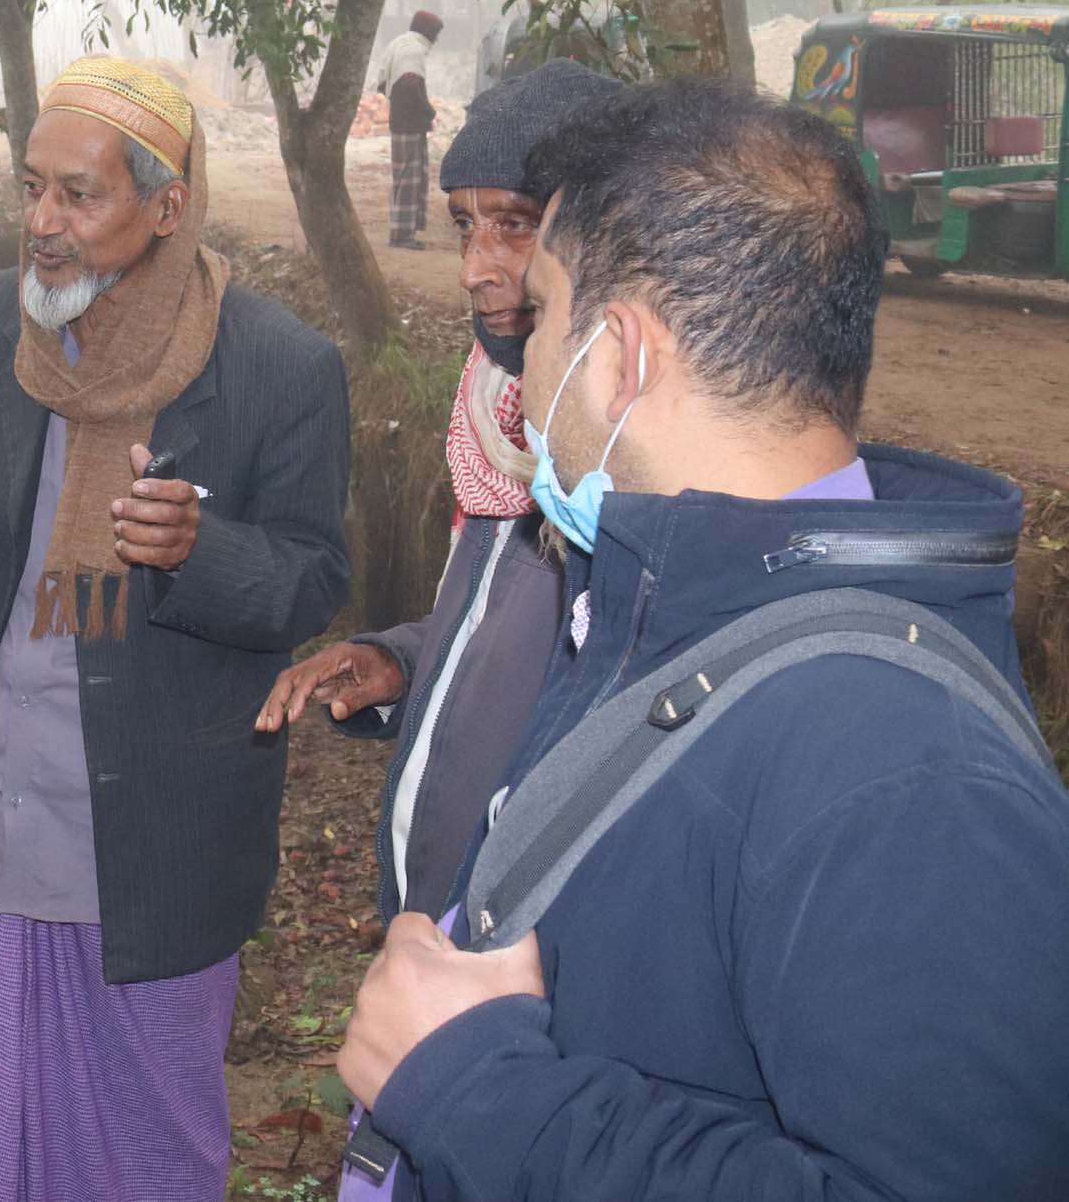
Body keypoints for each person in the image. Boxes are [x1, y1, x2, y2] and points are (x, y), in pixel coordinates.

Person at [335, 82, 1069, 1200]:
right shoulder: (647, 605)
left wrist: (477, 1089)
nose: (522, 372)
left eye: (539, 313)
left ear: (620, 355)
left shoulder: (913, 772)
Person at [0, 57, 353, 1202]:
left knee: (149, 1132)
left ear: (168, 204)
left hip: (162, 824)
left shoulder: (278, 367)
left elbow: (312, 580)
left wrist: (195, 549)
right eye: (31, 190)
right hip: (18, 794)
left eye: (79, 195)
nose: (42, 226)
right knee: (7, 1109)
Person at [255, 61, 621, 920]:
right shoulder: (493, 420)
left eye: (516, 226)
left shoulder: (624, 473)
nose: (475, 269)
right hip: (433, 924)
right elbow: (507, 630)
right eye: (464, 228)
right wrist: (404, 661)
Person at [377, 10, 442, 249]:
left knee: (404, 177)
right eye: (436, 34)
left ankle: (403, 232)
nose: (436, 40)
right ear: (429, 32)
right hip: (410, 125)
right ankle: (402, 236)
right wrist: (429, 112)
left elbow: (384, 83)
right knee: (409, 179)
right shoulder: (413, 50)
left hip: (401, 122)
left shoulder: (399, 43)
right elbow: (409, 86)